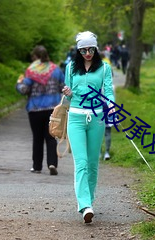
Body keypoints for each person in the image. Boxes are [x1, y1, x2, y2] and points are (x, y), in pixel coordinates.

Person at [62, 31, 115, 223]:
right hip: (75, 118)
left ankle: (89, 201)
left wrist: (111, 106)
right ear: (78, 50)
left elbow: (108, 91)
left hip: (97, 119)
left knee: (93, 163)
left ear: (96, 48)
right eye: (83, 50)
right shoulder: (70, 68)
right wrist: (67, 92)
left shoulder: (104, 68)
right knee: (81, 162)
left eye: (91, 49)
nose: (87, 53)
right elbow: (68, 97)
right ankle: (84, 205)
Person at [16, 45, 65, 175]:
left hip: (35, 109)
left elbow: (24, 90)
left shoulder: (31, 71)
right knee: (51, 137)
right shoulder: (56, 70)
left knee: (37, 138)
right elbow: (63, 87)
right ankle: (52, 163)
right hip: (52, 109)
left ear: (35, 57)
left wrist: (19, 83)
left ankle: (37, 166)